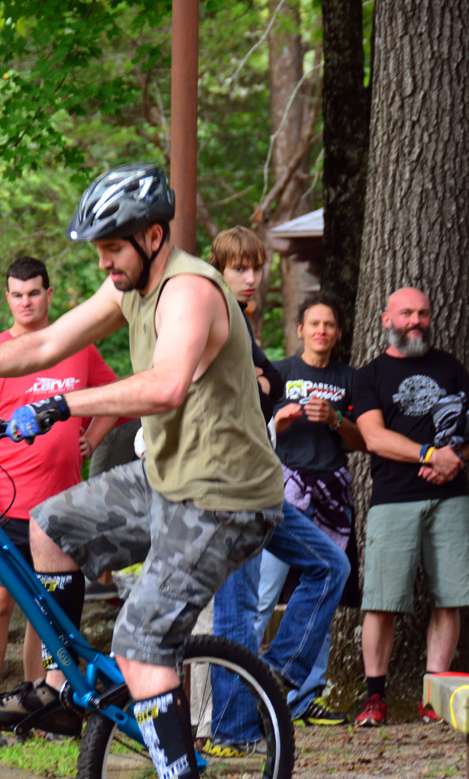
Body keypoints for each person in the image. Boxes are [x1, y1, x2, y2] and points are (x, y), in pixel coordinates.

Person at [0, 163, 283, 779]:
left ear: (153, 234)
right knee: (50, 526)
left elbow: (165, 387)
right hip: (167, 476)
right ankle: (56, 684)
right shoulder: (127, 286)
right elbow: (43, 344)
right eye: (99, 248)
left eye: (112, 246)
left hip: (224, 496)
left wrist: (61, 404)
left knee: (139, 645)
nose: (103, 260)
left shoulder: (189, 291)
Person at [0, 256, 119, 747]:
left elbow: (114, 393)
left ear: (49, 294)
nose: (26, 302)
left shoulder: (77, 349)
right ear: (7, 298)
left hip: (61, 509)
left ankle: (40, 706)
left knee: (47, 610)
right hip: (4, 507)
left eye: (34, 293)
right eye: (16, 294)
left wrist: (92, 436)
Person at [203, 229, 350, 752]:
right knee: (239, 609)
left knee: (330, 566)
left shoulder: (241, 321)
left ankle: (275, 679)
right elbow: (233, 388)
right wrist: (260, 387)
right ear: (216, 269)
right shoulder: (210, 314)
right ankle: (233, 731)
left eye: (256, 267)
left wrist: (265, 389)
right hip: (223, 484)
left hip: (259, 484)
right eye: (238, 267)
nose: (250, 277)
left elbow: (266, 386)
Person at [350, 287, 469, 727]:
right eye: (406, 313)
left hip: (451, 497)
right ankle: (376, 698)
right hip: (393, 499)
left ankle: (435, 694)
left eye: (423, 313)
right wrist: (431, 455)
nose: (416, 321)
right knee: (381, 601)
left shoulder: (449, 366)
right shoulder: (368, 375)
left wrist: (456, 460)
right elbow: (373, 437)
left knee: (450, 596)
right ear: (385, 318)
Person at [252, 294, 363, 726]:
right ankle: (246, 688)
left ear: (337, 333)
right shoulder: (279, 373)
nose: (321, 331)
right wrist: (276, 425)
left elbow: (363, 441)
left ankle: (304, 696)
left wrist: (335, 420)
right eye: (314, 323)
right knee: (264, 591)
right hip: (284, 491)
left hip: (332, 493)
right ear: (299, 329)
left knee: (323, 592)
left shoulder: (348, 379)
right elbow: (251, 434)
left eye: (329, 324)